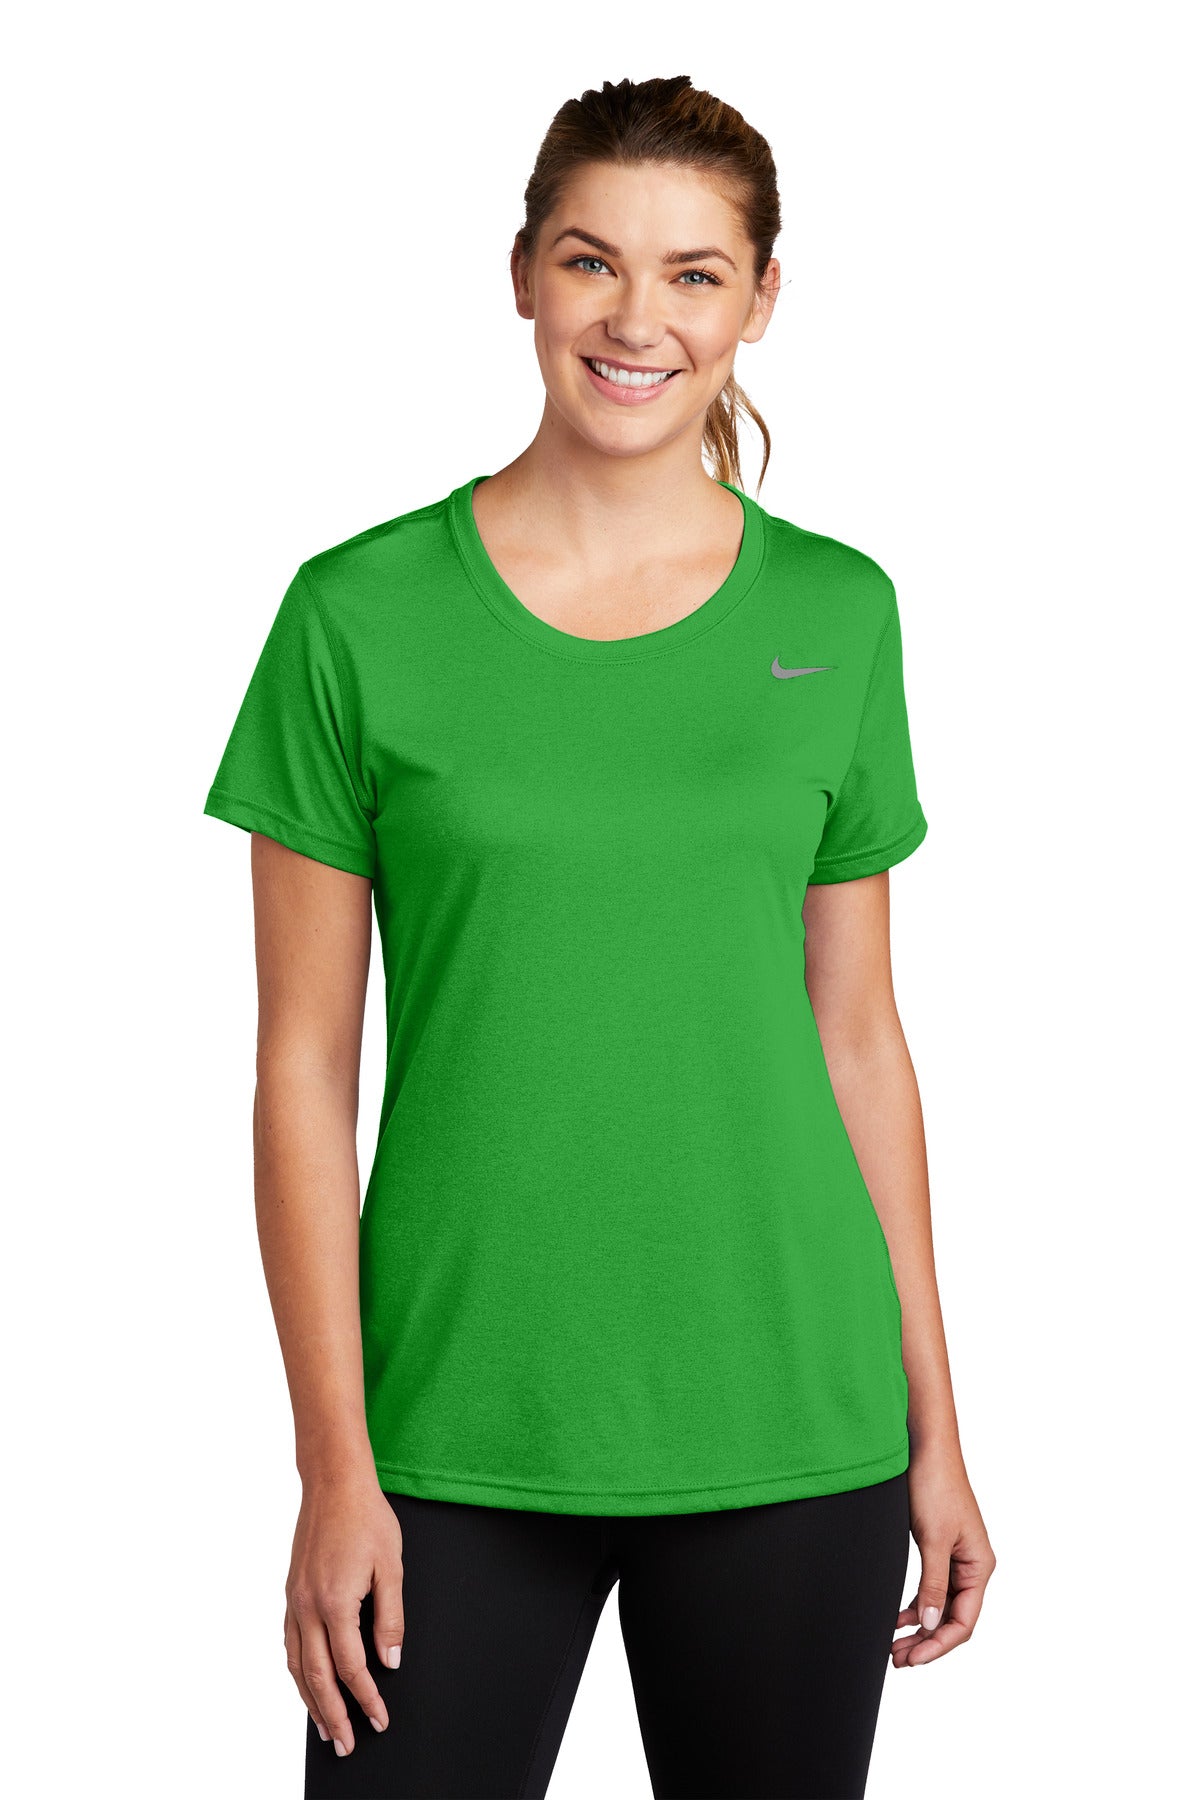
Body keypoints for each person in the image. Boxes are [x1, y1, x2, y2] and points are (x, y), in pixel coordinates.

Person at [203, 72, 995, 1800]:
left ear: (760, 300)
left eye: (695, 273)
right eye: (592, 261)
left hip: (796, 1421)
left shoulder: (839, 614)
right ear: (523, 276)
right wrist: (333, 1462)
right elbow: (300, 1067)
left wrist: (938, 1424)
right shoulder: (356, 616)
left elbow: (859, 1038)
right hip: (451, 1435)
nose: (639, 319)